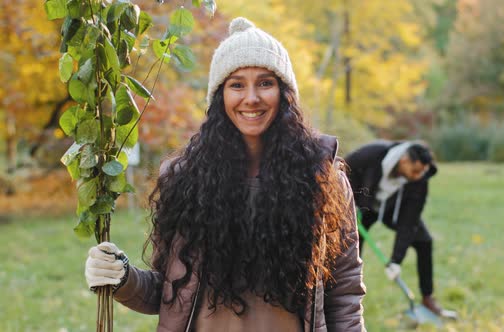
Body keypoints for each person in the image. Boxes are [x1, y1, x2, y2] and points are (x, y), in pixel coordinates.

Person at [84, 17, 365, 331]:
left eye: (265, 82)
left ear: (285, 94)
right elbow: (169, 293)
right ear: (220, 96)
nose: (251, 98)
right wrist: (122, 278)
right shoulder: (185, 180)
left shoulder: (322, 179)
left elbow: (345, 298)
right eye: (237, 84)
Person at [345, 140, 446, 315]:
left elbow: (410, 221)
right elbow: (340, 173)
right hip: (361, 209)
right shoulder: (371, 155)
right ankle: (347, 302)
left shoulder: (419, 179)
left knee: (424, 242)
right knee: (350, 252)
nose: (417, 176)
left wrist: (396, 260)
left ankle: (427, 298)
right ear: (404, 160)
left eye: (421, 172)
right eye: (415, 171)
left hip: (393, 210)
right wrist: (347, 203)